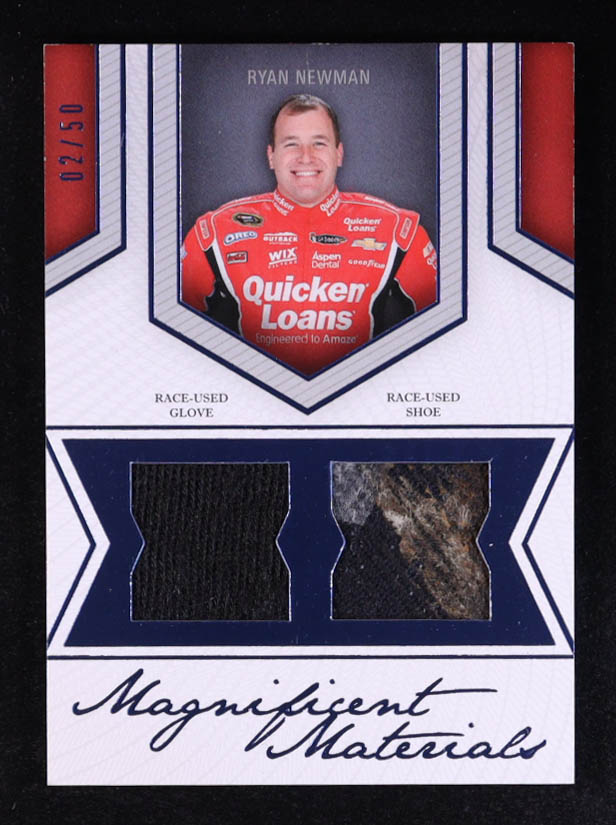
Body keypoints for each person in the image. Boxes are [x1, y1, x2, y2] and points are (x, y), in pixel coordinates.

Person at [181, 94, 437, 375]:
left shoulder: (400, 230)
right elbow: (171, 335)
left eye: (319, 143)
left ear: (338, 154)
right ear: (271, 156)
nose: (306, 157)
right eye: (291, 144)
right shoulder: (213, 231)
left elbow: (446, 334)